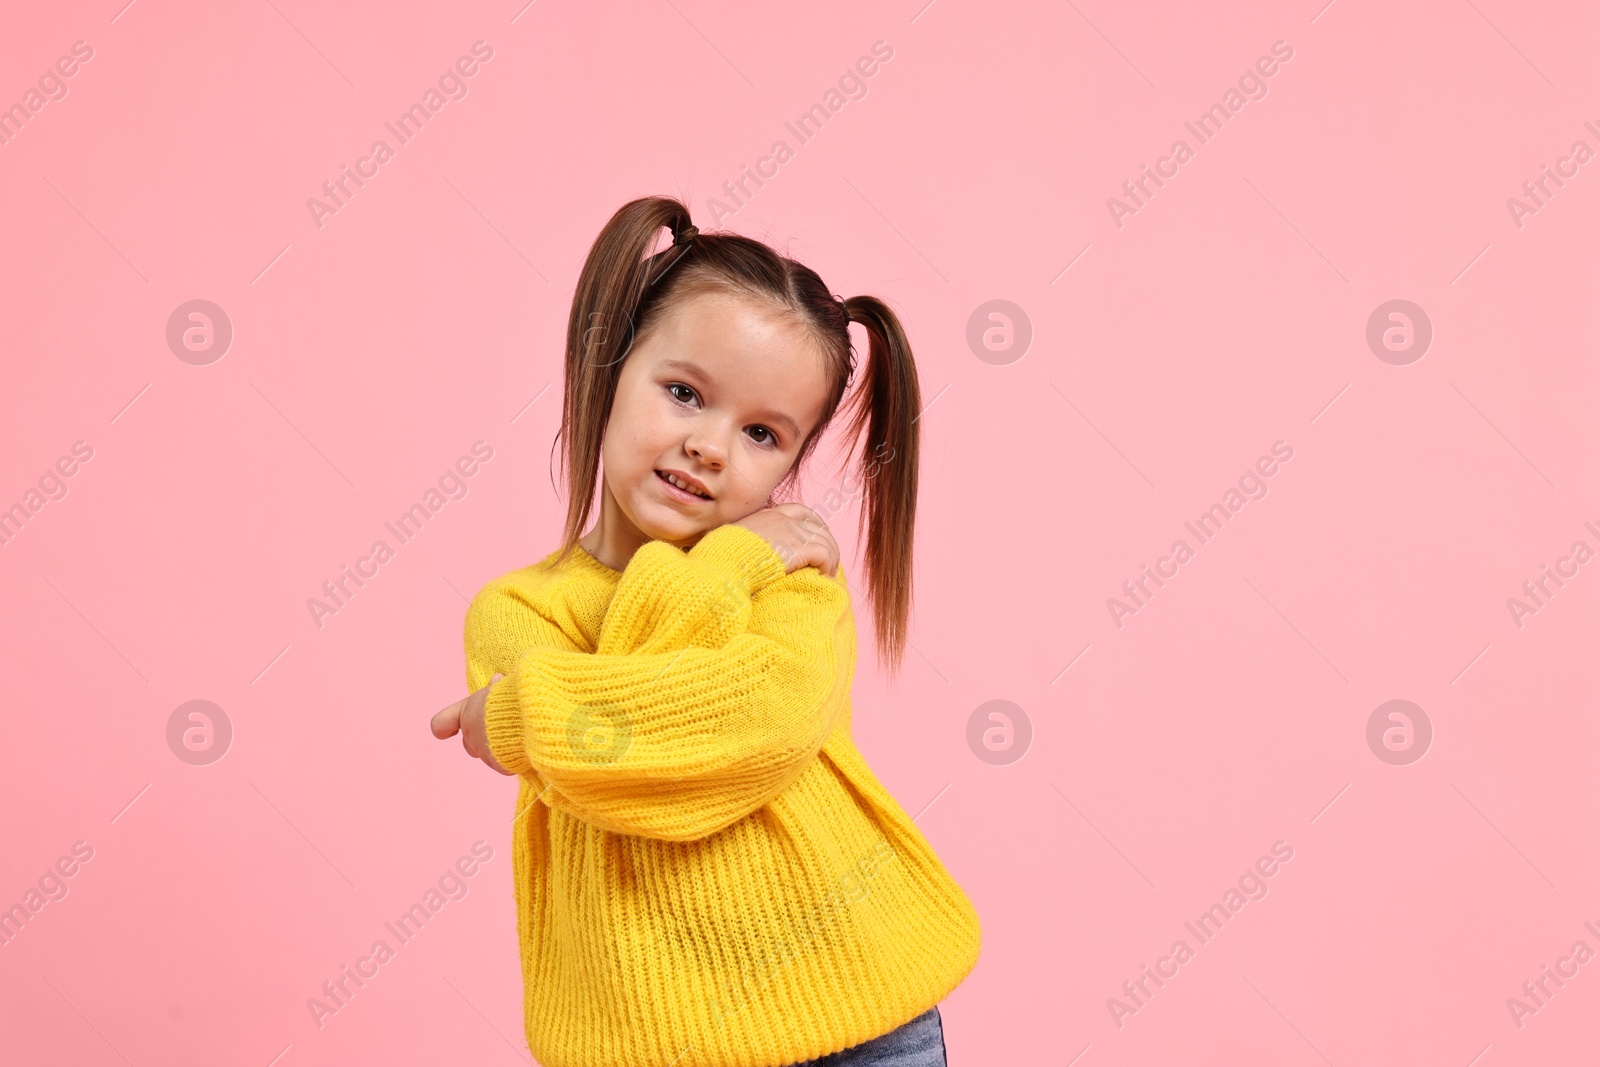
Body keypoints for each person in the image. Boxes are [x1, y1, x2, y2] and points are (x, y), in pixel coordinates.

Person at [430, 195, 980, 1067]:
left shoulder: (795, 577)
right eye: (684, 393)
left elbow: (746, 730)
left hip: (862, 1010)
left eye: (761, 433)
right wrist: (719, 571)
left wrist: (519, 715)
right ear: (605, 371)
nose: (711, 446)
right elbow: (620, 754)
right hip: (649, 1043)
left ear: (789, 467)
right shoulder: (521, 610)